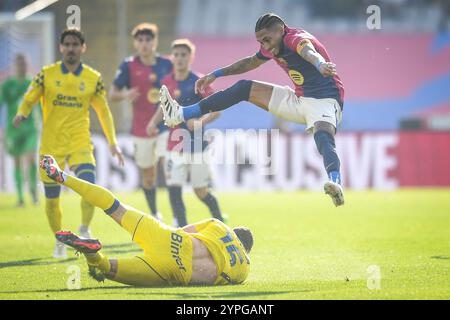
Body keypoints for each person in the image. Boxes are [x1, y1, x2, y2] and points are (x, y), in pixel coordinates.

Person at [160, 13, 345, 206]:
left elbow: (308, 51)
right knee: (244, 88)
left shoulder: (295, 39)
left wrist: (320, 63)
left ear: (281, 31)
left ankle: (335, 183)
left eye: (267, 40)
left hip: (325, 101)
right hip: (298, 100)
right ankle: (180, 114)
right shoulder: (272, 45)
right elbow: (250, 62)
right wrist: (216, 74)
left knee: (322, 135)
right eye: (260, 41)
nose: (264, 45)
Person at [40, 154, 252, 286]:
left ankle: (63, 177)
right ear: (246, 250)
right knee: (107, 269)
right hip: (173, 269)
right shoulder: (243, 270)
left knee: (114, 206)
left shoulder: (219, 225)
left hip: (169, 237)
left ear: (233, 232)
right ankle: (92, 253)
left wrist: (165, 237)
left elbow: (185, 229)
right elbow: (222, 280)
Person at [14, 29, 124, 258]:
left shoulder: (93, 78)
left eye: (76, 44)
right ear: (61, 47)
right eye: (67, 44)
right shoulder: (47, 74)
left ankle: (84, 229)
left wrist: (113, 142)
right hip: (51, 145)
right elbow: (30, 96)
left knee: (90, 187)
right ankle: (60, 240)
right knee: (52, 201)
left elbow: (104, 112)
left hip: (79, 142)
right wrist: (22, 112)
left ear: (82, 48)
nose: (71, 48)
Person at [148, 39, 226, 227]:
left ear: (191, 57)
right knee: (174, 188)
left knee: (200, 191)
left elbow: (217, 110)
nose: (180, 58)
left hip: (197, 145)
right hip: (174, 146)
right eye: (177, 55)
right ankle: (181, 228)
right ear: (172, 57)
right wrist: (153, 122)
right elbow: (164, 107)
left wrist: (200, 121)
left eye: (184, 55)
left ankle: (221, 223)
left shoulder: (199, 82)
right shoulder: (166, 82)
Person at [110, 23, 172, 220]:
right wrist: (125, 93)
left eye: (148, 39)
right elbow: (113, 94)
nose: (145, 44)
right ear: (136, 43)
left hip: (167, 125)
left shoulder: (167, 64)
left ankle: (178, 217)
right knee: (149, 175)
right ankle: (155, 213)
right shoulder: (128, 65)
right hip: (141, 128)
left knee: (170, 168)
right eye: (141, 40)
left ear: (155, 41)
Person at [0, 53, 39, 207]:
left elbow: (41, 106)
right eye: (19, 64)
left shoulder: (33, 83)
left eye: (24, 64)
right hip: (13, 129)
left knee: (30, 158)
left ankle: (34, 193)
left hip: (30, 128)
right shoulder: (7, 85)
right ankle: (21, 198)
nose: (21, 67)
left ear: (27, 65)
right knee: (17, 162)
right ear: (15, 66)